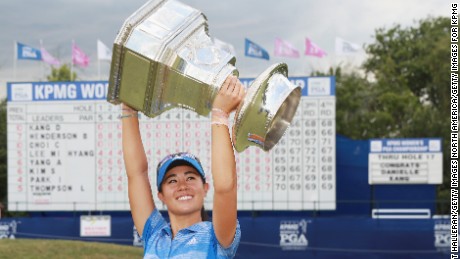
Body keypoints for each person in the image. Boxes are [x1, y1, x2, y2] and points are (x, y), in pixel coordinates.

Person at [121, 75, 245, 258]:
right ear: (160, 195)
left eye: (190, 177)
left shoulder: (217, 237)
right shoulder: (154, 235)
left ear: (205, 188)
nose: (182, 185)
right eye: (172, 180)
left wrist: (219, 115)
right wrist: (128, 108)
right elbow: (136, 174)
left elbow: (226, 187)